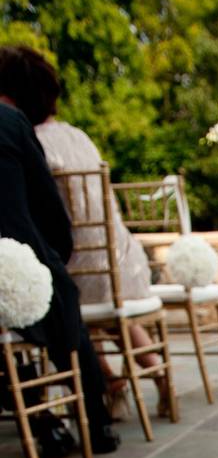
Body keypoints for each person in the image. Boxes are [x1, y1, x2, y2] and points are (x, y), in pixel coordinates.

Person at [0, 45, 120, 455]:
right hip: (21, 263)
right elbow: (49, 209)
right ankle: (96, 420)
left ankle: (40, 417)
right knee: (64, 303)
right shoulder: (13, 124)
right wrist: (56, 254)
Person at [34, 120, 171, 419]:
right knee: (112, 319)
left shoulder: (35, 141)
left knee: (71, 309)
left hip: (81, 258)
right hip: (121, 254)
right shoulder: (78, 134)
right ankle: (160, 377)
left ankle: (112, 384)